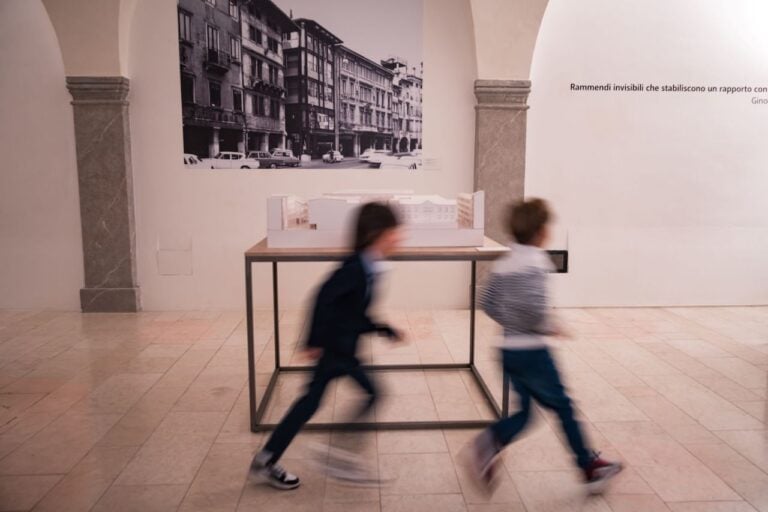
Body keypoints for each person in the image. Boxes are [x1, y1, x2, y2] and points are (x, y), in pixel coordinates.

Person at [470, 198, 622, 494]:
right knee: (564, 407)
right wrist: (549, 325)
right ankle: (589, 466)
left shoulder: (504, 262)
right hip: (533, 354)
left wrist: (512, 322)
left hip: (508, 350)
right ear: (541, 232)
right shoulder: (537, 262)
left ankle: (490, 441)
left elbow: (486, 303)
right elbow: (535, 311)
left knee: (526, 414)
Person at [250, 202, 405, 490]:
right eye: (396, 232)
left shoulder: (368, 265)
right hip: (337, 351)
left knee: (310, 403)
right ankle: (340, 456)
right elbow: (321, 299)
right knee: (374, 393)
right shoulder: (355, 268)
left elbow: (353, 312)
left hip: (340, 348)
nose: (400, 238)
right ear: (377, 234)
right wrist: (313, 341)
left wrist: (384, 329)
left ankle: (266, 459)